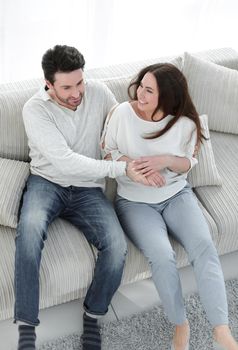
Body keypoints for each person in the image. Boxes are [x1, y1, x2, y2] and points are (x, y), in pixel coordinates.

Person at [14, 44, 152, 350]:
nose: (77, 92)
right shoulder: (34, 110)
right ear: (48, 84)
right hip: (47, 181)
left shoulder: (99, 93)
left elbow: (122, 127)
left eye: (80, 82)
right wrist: (119, 169)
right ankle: (26, 326)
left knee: (116, 246)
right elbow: (63, 161)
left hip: (88, 188)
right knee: (29, 234)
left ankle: (93, 314)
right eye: (66, 87)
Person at [101, 63, 238, 350]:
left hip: (176, 196)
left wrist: (164, 160)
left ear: (166, 97)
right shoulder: (122, 114)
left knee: (204, 247)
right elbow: (108, 152)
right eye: (141, 85)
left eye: (149, 90)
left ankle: (221, 330)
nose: (141, 93)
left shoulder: (184, 124)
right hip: (135, 202)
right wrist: (135, 168)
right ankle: (180, 324)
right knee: (162, 257)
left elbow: (188, 163)